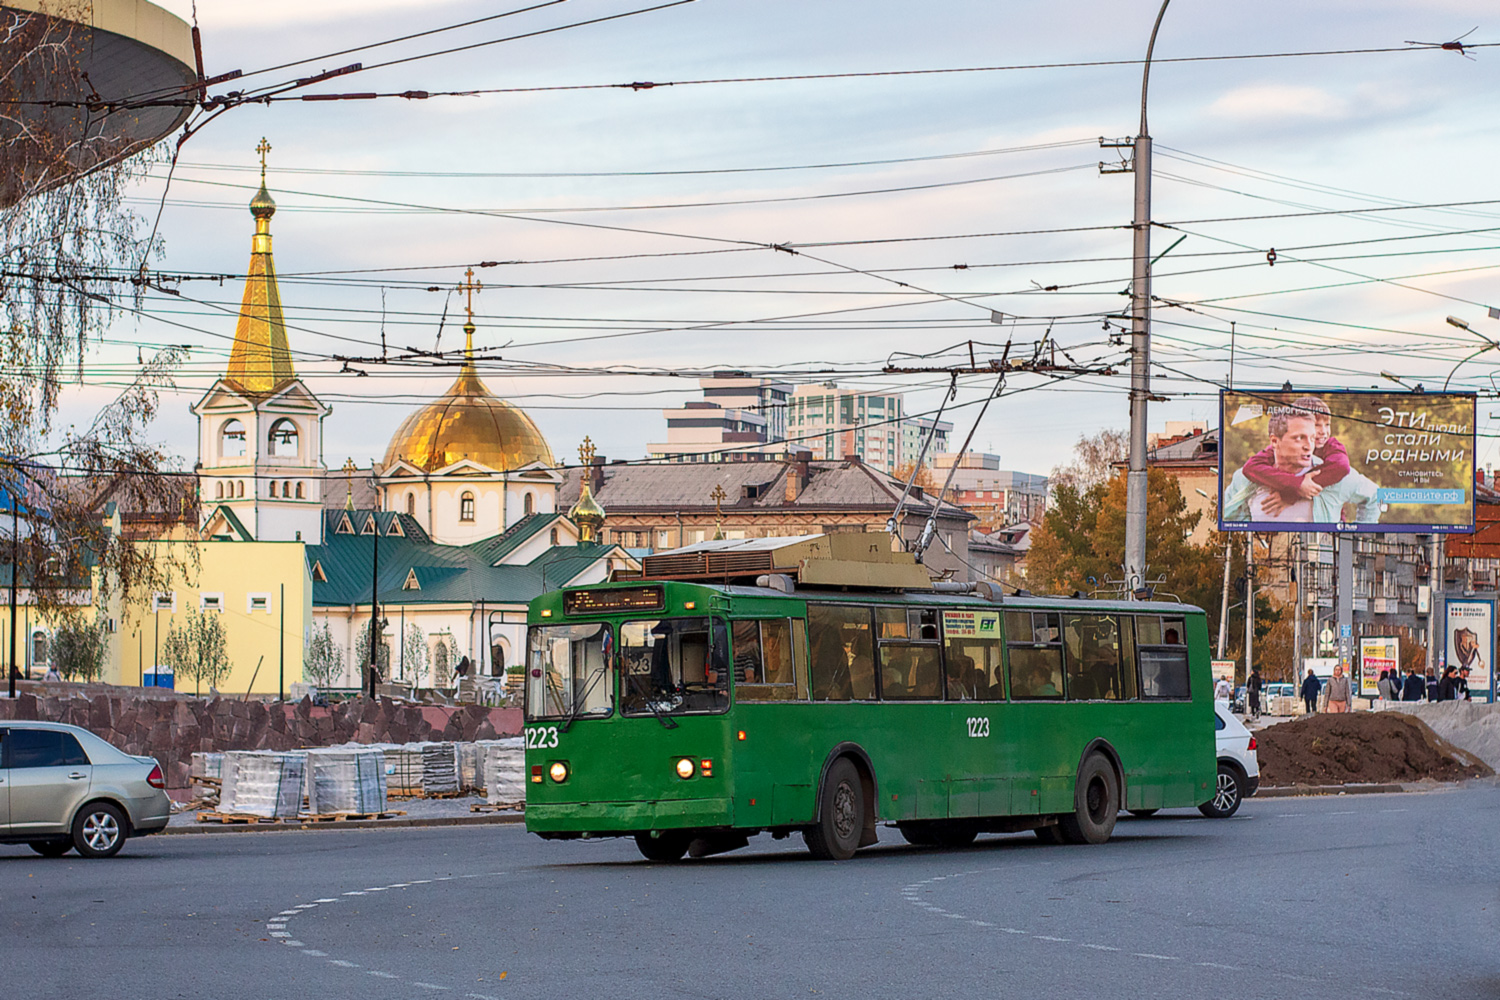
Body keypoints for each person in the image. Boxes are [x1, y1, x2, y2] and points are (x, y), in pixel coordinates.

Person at [1222, 407, 1380, 524]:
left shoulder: (1333, 477)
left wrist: (1354, 540)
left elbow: (1375, 496)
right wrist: (1251, 537)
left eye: (1312, 438)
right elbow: (1227, 514)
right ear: (1275, 441)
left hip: (1322, 565)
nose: (1308, 446)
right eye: (1299, 438)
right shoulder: (1247, 479)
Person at [1241, 396, 1352, 517]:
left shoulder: (1331, 445)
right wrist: (1295, 483)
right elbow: (1251, 467)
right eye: (1317, 425)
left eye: (1327, 424)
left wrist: (1293, 493)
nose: (1323, 431)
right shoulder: (1282, 447)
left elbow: (1342, 466)